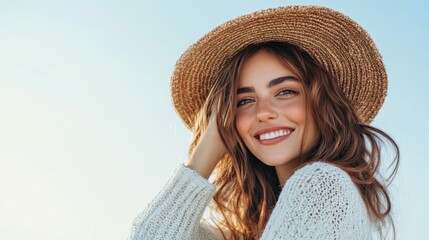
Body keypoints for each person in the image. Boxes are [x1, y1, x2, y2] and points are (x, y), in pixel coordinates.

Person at [130, 6, 399, 240]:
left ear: (321, 103)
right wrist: (210, 144)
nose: (263, 112)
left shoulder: (324, 186)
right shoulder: (249, 230)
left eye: (285, 92)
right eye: (244, 101)